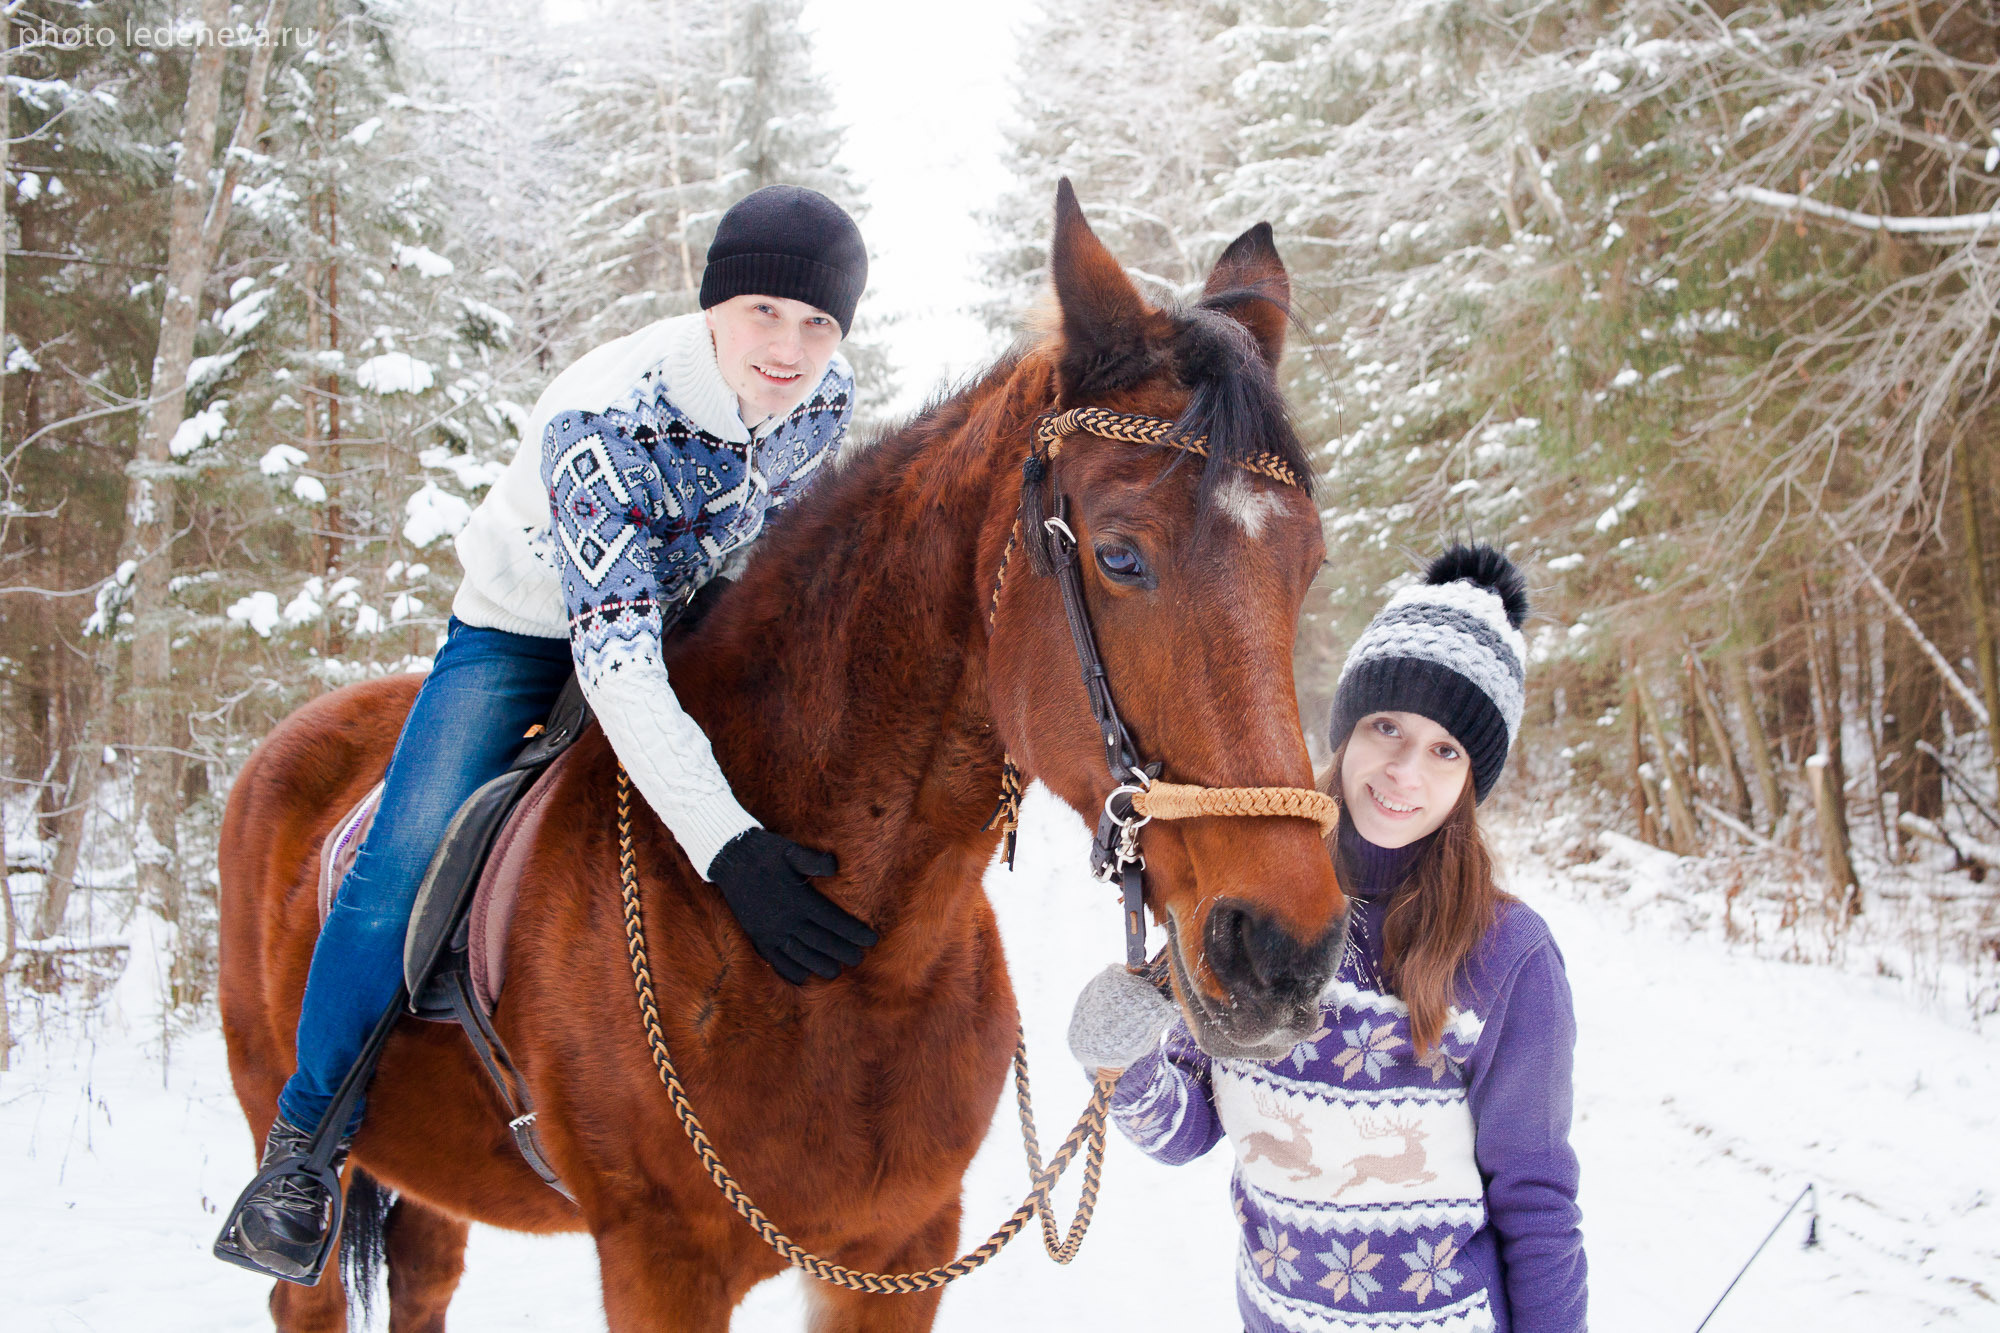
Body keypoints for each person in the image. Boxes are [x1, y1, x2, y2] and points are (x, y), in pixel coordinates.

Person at [231, 185, 880, 1279]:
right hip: (525, 633)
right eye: (765, 311)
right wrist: (730, 849)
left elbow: (773, 543)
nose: (790, 348)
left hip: (693, 613)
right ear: (715, 304)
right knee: (400, 858)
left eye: (818, 322)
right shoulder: (605, 417)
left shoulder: (825, 396)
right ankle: (303, 1145)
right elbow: (613, 665)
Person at [1067, 545, 1587, 1333]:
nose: (1405, 770)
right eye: (1388, 726)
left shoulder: (1508, 955)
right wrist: (1124, 1063)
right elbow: (1188, 1130)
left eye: (1445, 749)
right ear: (1347, 729)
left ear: (1471, 779)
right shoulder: (1250, 906)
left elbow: (1538, 1203)